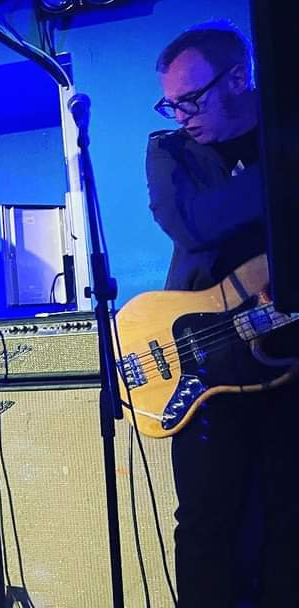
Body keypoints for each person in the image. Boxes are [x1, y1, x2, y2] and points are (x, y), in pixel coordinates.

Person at [146, 21, 299, 607]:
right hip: (203, 358)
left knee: (288, 517)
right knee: (205, 520)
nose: (181, 115)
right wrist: (279, 172)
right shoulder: (169, 151)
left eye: (192, 99)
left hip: (284, 357)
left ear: (239, 79)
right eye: (171, 102)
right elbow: (192, 225)